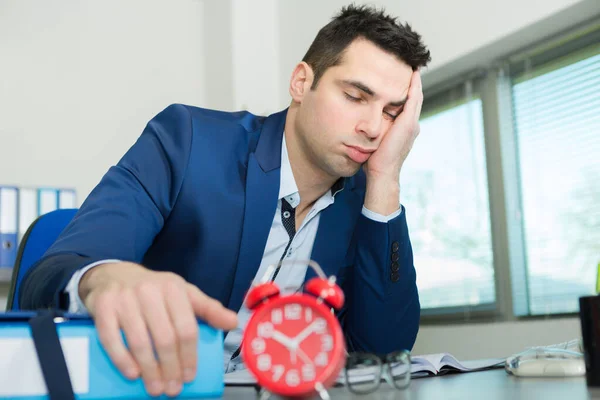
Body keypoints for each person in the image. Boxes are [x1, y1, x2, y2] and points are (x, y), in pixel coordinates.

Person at [20, 4, 431, 397]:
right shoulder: (186, 141)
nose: (374, 128)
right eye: (356, 97)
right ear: (302, 83)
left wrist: (385, 179)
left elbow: (383, 352)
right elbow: (47, 278)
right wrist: (102, 278)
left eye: (392, 113)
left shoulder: (365, 199)